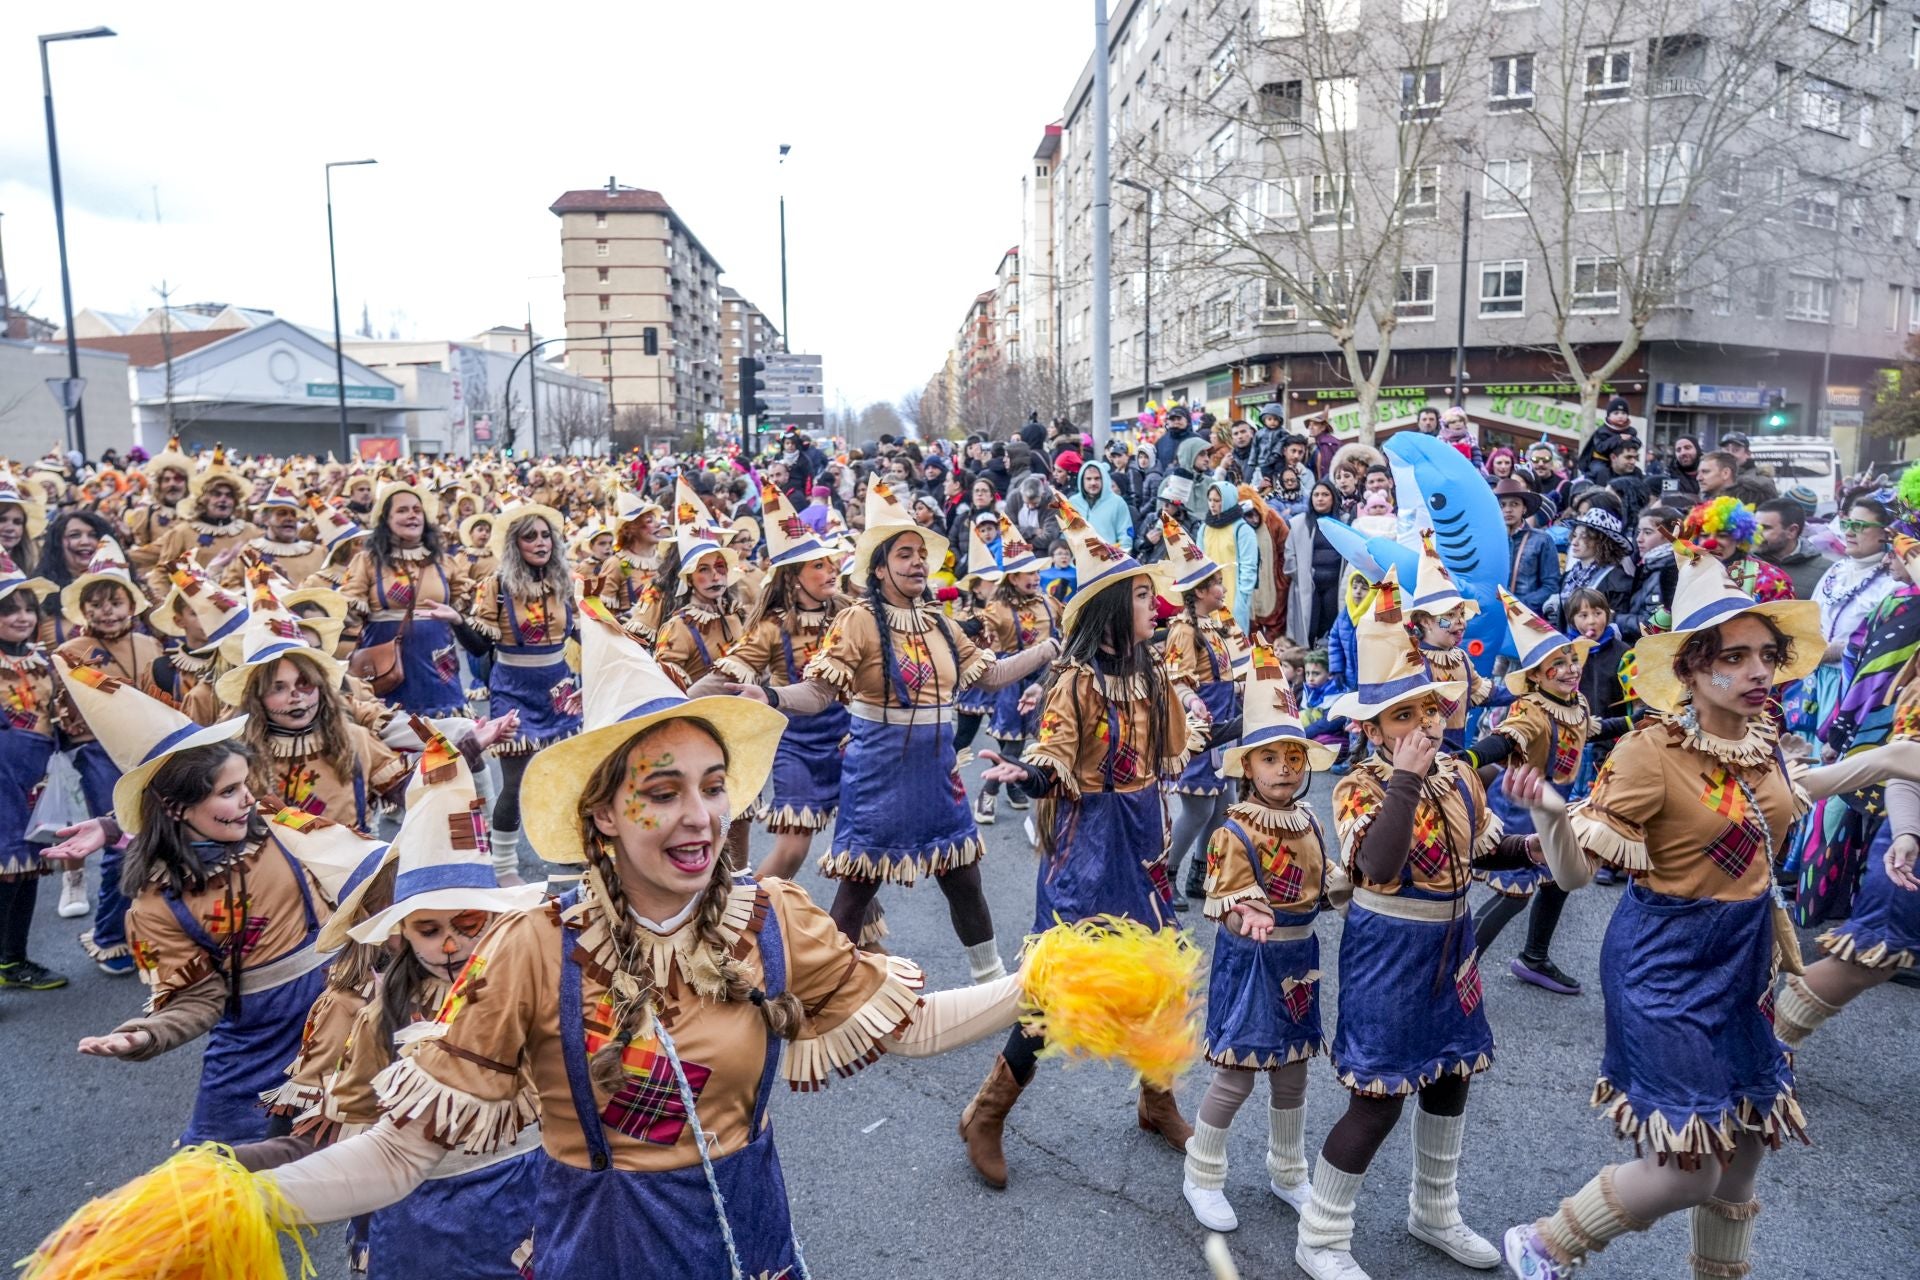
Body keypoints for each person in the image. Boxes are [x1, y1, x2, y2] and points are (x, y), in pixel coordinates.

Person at [1497, 548, 1920, 1280]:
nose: (1759, 672)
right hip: (1665, 962)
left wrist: (1885, 760)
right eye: (1734, 657)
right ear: (1691, 670)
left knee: (1749, 1140)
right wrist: (1552, 817)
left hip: (1745, 956)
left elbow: (1784, 797)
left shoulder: (1762, 738)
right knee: (1688, 1169)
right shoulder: (1648, 753)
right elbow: (1573, 875)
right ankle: (1546, 1244)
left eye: (1767, 656)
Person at [1297, 568, 1541, 1280]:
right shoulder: (1358, 785)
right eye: (1402, 717)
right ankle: (1321, 1237)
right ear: (1372, 729)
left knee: (1451, 1076)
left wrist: (1534, 845)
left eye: (1429, 710)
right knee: (1376, 1099)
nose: (1424, 726)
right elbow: (1377, 863)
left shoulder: (1459, 774)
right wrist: (1405, 778)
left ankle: (1434, 1211)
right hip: (1389, 947)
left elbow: (1482, 846)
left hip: (1452, 942)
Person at [966, 503, 1202, 1188]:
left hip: (1142, 838)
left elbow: (1175, 747)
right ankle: (986, 1113)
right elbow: (1056, 750)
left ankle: (1157, 1101)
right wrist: (1029, 772)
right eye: (1141, 596)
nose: (1154, 606)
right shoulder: (1075, 679)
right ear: (1111, 609)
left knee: (1162, 973)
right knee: (1060, 987)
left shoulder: (1153, 673)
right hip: (1087, 843)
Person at [790, 482, 1057, 969]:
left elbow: (992, 675)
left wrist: (1050, 649)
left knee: (964, 878)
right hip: (878, 772)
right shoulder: (857, 620)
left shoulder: (940, 623)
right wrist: (769, 696)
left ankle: (990, 981)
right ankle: (826, 990)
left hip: (937, 772)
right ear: (879, 568)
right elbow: (818, 693)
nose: (917, 563)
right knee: (858, 887)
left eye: (920, 555)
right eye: (904, 554)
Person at [1182, 660, 1340, 1232]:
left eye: (1294, 757)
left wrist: (1359, 884)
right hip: (1250, 961)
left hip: (1299, 960)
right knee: (1236, 1074)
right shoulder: (1233, 830)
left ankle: (1288, 1171)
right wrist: (1244, 913)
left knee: (1293, 1071)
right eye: (1270, 758)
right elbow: (1227, 899)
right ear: (1246, 766)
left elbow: (1327, 885)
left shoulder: (1309, 822)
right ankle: (1201, 1175)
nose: (1285, 768)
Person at [1467, 590, 1626, 994]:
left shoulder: (1575, 702)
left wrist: (1634, 721)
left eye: (1573, 659)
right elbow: (1507, 738)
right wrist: (1470, 757)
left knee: (1559, 879)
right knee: (1515, 895)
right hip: (1522, 808)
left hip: (1557, 807)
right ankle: (1455, 972)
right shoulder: (1531, 710)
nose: (1571, 669)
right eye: (1558, 663)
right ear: (1536, 676)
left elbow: (1591, 730)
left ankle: (1534, 957)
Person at [695, 482, 850, 882]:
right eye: (818, 566)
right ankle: (747, 913)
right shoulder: (770, 627)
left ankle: (856, 920)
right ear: (793, 578)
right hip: (796, 744)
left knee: (855, 847)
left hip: (849, 741)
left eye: (830, 563)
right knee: (793, 849)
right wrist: (669, 703)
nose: (831, 570)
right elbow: (724, 676)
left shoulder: (850, 614)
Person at [461, 502, 580, 882]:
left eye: (546, 535)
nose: (541, 542)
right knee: (515, 783)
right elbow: (479, 646)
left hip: (559, 690)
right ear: (515, 544)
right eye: (530, 536)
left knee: (564, 777)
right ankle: (503, 867)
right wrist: (456, 622)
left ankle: (564, 850)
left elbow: (583, 632)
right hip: (513, 689)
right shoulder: (496, 584)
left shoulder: (565, 582)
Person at [1159, 517, 1244, 910]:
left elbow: (1223, 676)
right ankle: (1165, 874)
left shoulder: (1213, 626)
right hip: (1200, 730)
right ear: (1199, 592)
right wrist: (1192, 702)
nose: (1223, 589)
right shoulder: (1183, 630)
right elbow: (1177, 680)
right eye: (1217, 584)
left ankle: (1199, 873)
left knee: (1224, 803)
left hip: (1224, 727)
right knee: (1197, 807)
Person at [341, 481, 473, 719]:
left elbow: (464, 604)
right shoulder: (367, 561)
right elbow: (349, 607)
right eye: (402, 510)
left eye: (417, 510)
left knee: (444, 730)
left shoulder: (445, 562)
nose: (412, 515)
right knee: (392, 729)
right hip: (386, 666)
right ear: (386, 520)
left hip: (438, 663)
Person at [0, 551, 62, 990]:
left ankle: (13, 960)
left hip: (35, 779)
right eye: (9, 610)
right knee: (4, 870)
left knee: (26, 868)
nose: (21, 617)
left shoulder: (44, 661)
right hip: (1, 781)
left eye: (27, 609)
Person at [971, 529, 1059, 825]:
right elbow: (980, 633)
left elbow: (1066, 630)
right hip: (1013, 681)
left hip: (1047, 680)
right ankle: (988, 792)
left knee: (1050, 741)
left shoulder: (1048, 602)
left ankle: (1020, 789)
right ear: (1012, 578)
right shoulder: (998, 608)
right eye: (1028, 573)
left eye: (1036, 571)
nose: (1035, 577)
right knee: (1014, 743)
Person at [141, 448, 259, 601]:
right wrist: (162, 603)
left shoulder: (251, 532)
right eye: (216, 494)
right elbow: (163, 572)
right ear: (204, 499)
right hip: (195, 607)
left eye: (229, 495)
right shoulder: (182, 532)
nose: (223, 499)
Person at [1547, 509, 1637, 633]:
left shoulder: (1617, 579)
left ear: (1601, 542)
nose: (1574, 542)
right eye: (1574, 535)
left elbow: (1616, 627)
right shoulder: (1569, 576)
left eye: (1584, 537)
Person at [1284, 482, 1346, 645]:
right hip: (1309, 585)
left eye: (1325, 495)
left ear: (1333, 498)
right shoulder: (1299, 523)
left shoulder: (1344, 522)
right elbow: (1289, 555)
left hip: (1335, 584)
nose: (1320, 499)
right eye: (1316, 495)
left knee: (1332, 625)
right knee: (1309, 628)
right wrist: (1301, 576)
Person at [1495, 477, 1560, 615]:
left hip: (1527, 616)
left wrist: (1518, 604)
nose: (1508, 509)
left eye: (1514, 504)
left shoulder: (1542, 540)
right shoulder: (1489, 540)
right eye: (1502, 505)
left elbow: (1551, 586)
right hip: (1493, 614)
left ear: (1524, 508)